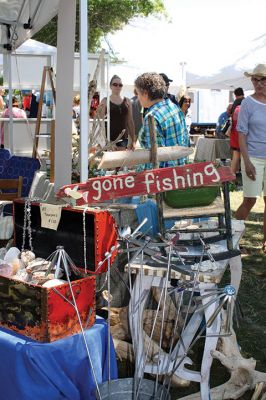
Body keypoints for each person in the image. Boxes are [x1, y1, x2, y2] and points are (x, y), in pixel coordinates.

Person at [234, 64, 266, 253]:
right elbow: (241, 134)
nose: (259, 83)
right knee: (250, 200)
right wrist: (246, 162)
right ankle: (232, 238)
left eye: (263, 79)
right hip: (253, 157)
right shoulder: (247, 103)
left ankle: (265, 244)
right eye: (255, 79)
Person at [134, 72, 189, 169]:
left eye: (138, 93)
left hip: (163, 178)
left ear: (145, 94)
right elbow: (185, 141)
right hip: (179, 171)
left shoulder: (152, 117)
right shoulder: (175, 108)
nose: (138, 97)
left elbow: (156, 156)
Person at [98, 75, 135, 149]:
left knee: (122, 160)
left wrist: (133, 141)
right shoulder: (105, 101)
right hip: (109, 139)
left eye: (120, 85)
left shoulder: (127, 101)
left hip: (123, 139)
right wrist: (107, 141)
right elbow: (101, 122)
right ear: (110, 86)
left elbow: (130, 121)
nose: (118, 86)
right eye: (115, 84)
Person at [230, 87, 245, 174]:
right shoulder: (246, 102)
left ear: (235, 95)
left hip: (234, 132)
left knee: (235, 155)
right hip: (242, 132)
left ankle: (232, 177)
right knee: (244, 156)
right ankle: (244, 177)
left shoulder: (234, 103)